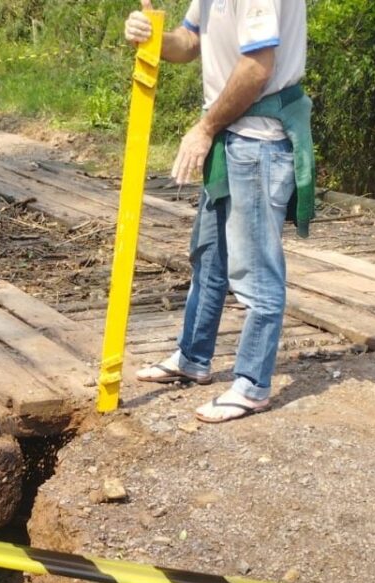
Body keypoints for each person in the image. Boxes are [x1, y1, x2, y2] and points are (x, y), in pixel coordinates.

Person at [125, 0, 314, 423]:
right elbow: (189, 41)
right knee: (209, 257)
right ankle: (192, 357)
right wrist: (153, 36)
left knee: (256, 271)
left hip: (259, 144)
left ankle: (252, 384)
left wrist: (204, 128)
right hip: (233, 140)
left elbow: (257, 68)